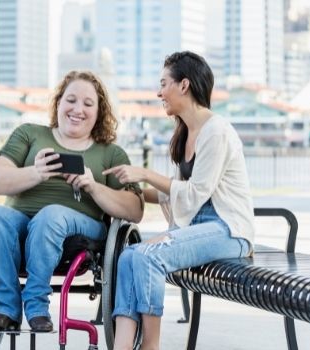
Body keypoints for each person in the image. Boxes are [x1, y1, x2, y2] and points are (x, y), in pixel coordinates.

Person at [103, 51, 255, 350]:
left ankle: (151, 345)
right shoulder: (185, 132)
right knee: (130, 256)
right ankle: (121, 346)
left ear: (184, 85)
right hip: (198, 229)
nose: (159, 92)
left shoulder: (217, 131)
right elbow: (171, 191)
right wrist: (119, 191)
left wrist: (145, 172)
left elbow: (195, 192)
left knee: (150, 255)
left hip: (228, 230)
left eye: (163, 84)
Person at [0, 71, 144, 333]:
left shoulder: (110, 153)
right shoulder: (29, 134)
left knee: (52, 214)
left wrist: (93, 186)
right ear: (58, 103)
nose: (78, 109)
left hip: (78, 232)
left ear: (98, 112)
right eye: (71, 100)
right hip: (20, 226)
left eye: (88, 104)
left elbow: (135, 210)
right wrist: (37, 173)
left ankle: (36, 305)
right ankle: (5, 309)